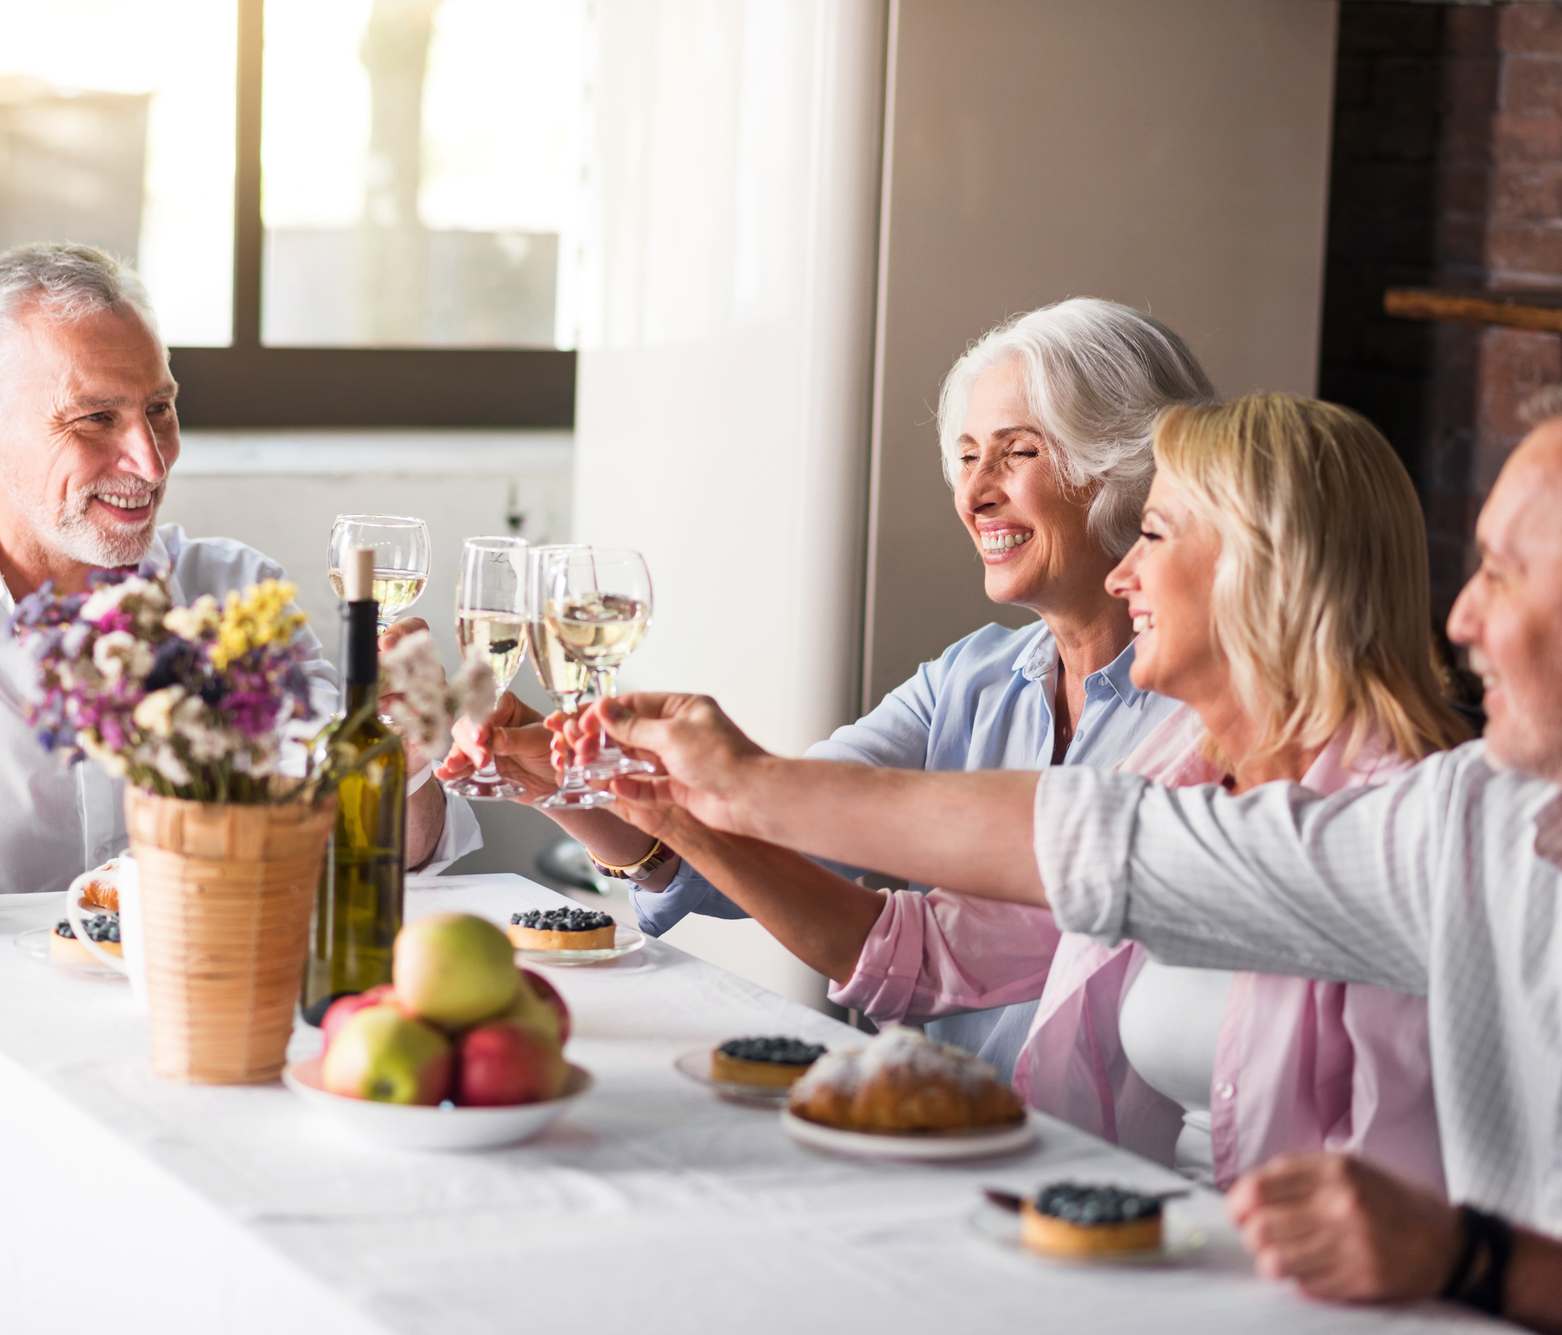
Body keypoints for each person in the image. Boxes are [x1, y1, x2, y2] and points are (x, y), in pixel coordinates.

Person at [590, 370, 1562, 1329]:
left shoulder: (1417, 800)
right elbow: (1089, 852)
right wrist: (721, 796)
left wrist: (1470, 1262)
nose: (1459, 620)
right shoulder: (1470, 823)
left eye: (1502, 574)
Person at [599, 395, 1458, 1191]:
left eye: (1152, 535)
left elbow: (1078, 840)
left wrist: (748, 783)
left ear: (1260, 568)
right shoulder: (1178, 768)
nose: (1124, 575)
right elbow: (921, 951)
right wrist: (675, 810)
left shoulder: (1398, 824)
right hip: (1131, 1230)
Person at [441, 297, 1208, 1070]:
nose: (975, 492)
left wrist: (699, 788)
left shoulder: (1209, 725)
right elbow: (768, 842)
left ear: (1120, 466)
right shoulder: (968, 679)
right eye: (968, 456)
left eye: (1018, 453)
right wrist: (560, 780)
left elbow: (912, 946)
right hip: (936, 1126)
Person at [0, 242, 480, 1007]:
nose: (149, 461)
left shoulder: (239, 596)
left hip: (210, 1040)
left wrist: (403, 755)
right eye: (96, 419)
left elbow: (391, 854)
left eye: (159, 409)